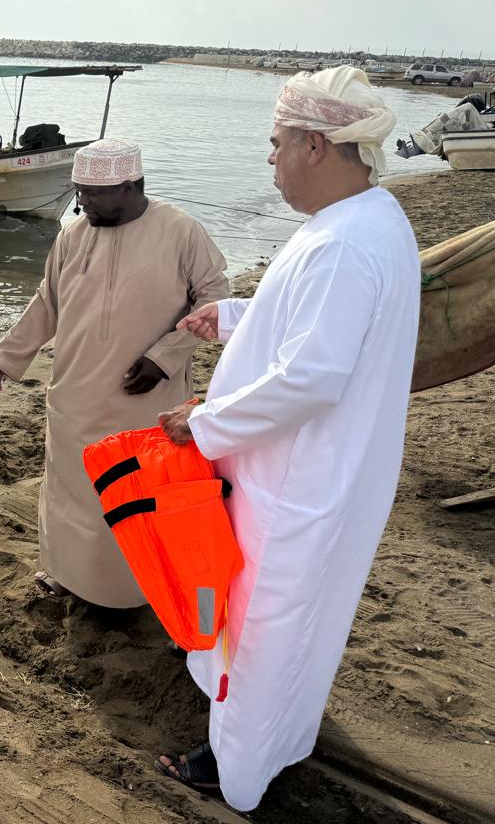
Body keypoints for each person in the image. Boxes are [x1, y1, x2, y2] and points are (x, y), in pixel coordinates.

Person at [156, 66, 417, 811]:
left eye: (276, 143)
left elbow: (311, 377)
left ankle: (233, 769)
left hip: (299, 481)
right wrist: (236, 317)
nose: (269, 158)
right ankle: (279, 741)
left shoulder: (342, 243)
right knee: (300, 621)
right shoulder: (368, 219)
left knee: (262, 629)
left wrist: (203, 423)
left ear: (314, 145)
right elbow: (318, 327)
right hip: (328, 471)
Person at [0, 139, 229, 606]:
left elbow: (214, 299)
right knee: (72, 492)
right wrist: (6, 357)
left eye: (93, 193)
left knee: (137, 493)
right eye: (79, 191)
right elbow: (47, 302)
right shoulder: (72, 235)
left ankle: (137, 590)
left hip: (146, 398)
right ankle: (66, 573)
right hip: (75, 394)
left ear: (130, 187)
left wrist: (165, 357)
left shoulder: (181, 231)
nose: (83, 203)